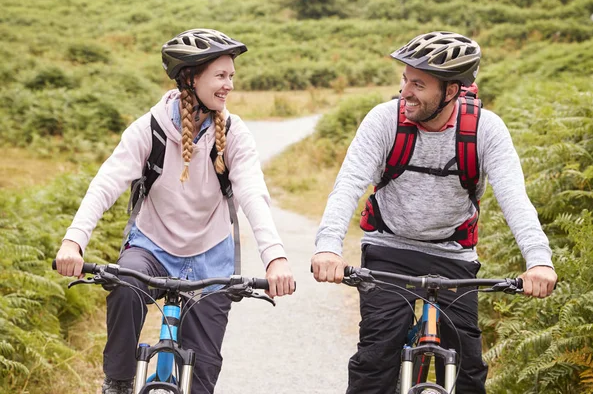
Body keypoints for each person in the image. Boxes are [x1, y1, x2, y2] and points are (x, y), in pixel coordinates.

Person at [311, 31, 557, 394]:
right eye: (405, 80)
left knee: (468, 374)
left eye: (419, 84)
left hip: (453, 256)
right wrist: (328, 246)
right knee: (374, 362)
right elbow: (348, 184)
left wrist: (539, 260)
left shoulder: (485, 130)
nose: (405, 92)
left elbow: (515, 199)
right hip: (388, 252)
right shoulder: (385, 121)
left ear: (452, 91)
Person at [54, 28, 295, 394]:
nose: (229, 84)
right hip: (150, 248)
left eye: (231, 75)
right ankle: (117, 382)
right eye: (220, 75)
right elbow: (105, 184)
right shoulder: (149, 129)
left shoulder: (233, 133)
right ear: (191, 77)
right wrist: (74, 241)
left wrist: (275, 257)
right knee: (126, 284)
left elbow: (253, 195)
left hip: (210, 259)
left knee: (202, 378)